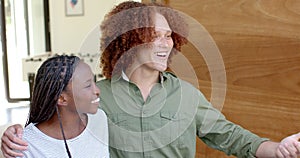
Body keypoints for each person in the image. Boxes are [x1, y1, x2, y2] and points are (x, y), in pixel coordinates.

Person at [1, 1, 300, 158]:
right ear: (130, 40)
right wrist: (14, 134)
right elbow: (50, 128)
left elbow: (232, 137)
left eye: (169, 35)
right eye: (153, 35)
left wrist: (279, 149)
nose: (165, 43)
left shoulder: (187, 95)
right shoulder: (96, 96)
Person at [10, 55, 109, 158]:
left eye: (94, 82)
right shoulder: (24, 145)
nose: (97, 91)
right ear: (61, 99)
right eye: (88, 85)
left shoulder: (99, 119)